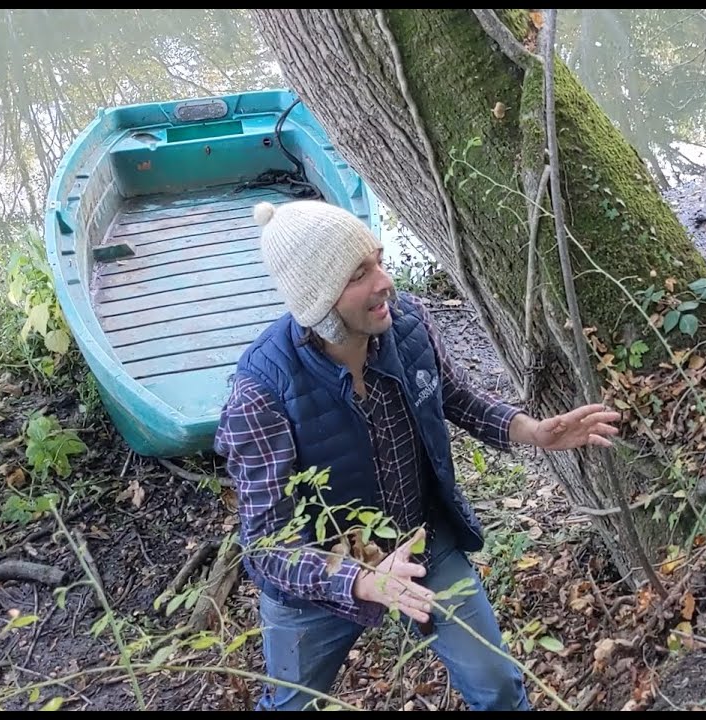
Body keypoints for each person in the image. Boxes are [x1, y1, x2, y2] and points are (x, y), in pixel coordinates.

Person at [214, 199, 621, 711]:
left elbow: (453, 396)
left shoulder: (407, 324)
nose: (385, 282)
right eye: (360, 274)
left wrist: (534, 431)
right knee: (291, 705)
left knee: (497, 686)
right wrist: (361, 579)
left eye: (379, 261)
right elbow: (266, 545)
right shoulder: (261, 392)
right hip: (322, 580)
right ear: (318, 301)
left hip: (422, 540)